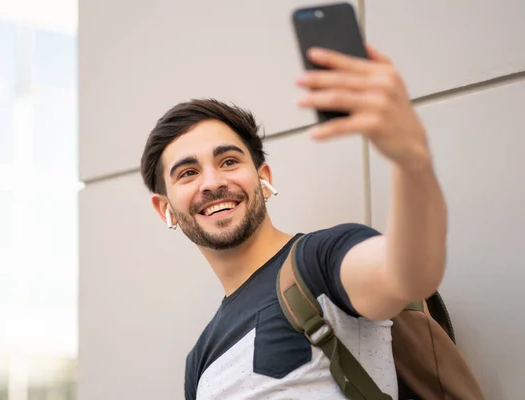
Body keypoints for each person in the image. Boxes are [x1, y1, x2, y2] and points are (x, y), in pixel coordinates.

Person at [140, 44, 447, 400]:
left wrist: (412, 162)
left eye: (228, 162)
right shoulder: (199, 361)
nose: (212, 182)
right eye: (189, 172)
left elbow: (410, 273)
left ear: (263, 178)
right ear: (165, 209)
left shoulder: (320, 260)